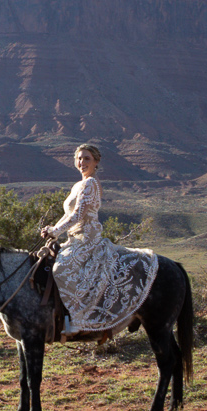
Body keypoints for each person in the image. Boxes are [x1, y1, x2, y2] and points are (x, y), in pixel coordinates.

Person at [39, 142, 156, 335]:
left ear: (96, 162)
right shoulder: (79, 184)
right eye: (79, 158)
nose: (82, 162)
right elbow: (68, 214)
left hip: (87, 238)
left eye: (86, 158)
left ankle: (77, 322)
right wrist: (51, 229)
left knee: (61, 270)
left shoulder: (90, 183)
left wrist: (56, 231)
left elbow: (78, 214)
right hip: (74, 237)